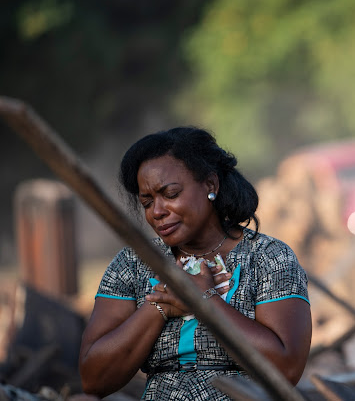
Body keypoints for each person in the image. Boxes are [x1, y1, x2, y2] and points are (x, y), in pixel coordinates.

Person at [79, 127, 312, 400]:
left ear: (210, 186)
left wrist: (204, 300)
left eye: (171, 194)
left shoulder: (268, 257)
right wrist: (160, 305)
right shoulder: (133, 263)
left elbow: (287, 368)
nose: (157, 211)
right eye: (147, 202)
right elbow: (93, 378)